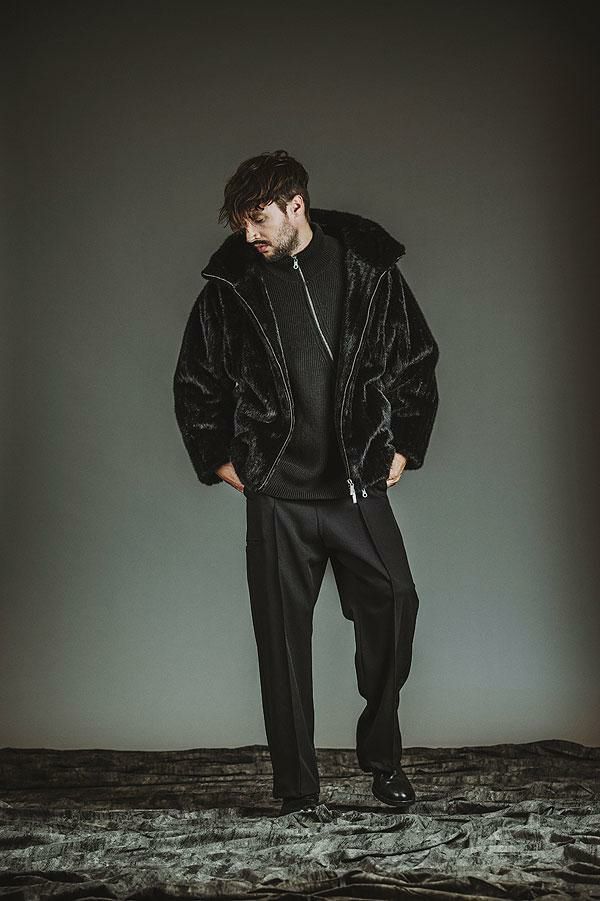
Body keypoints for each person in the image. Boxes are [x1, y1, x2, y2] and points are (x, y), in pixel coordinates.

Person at [173, 149, 440, 816]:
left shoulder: (367, 268)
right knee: (282, 644)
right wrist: (218, 457)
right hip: (279, 496)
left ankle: (382, 758)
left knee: (396, 600)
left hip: (354, 486)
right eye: (240, 223)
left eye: (258, 219)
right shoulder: (232, 286)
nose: (249, 235)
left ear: (296, 206)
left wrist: (406, 442)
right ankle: (297, 789)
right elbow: (197, 377)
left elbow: (414, 355)